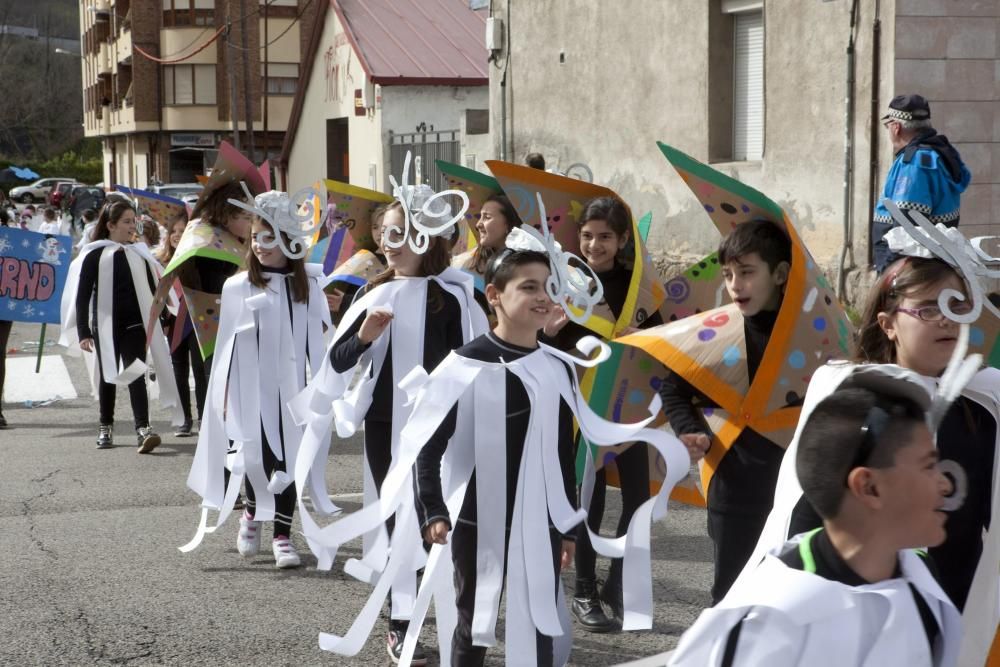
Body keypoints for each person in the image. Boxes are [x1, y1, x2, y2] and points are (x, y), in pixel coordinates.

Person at [747, 220, 1000, 665]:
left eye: (958, 305)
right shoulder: (852, 393)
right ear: (888, 323)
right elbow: (805, 504)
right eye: (927, 308)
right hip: (860, 595)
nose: (946, 318)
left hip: (952, 586)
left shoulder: (985, 401)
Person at [290, 170, 488, 664]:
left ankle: (452, 617)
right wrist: (364, 338)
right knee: (402, 517)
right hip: (386, 425)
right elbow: (335, 365)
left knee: (444, 518)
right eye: (386, 234)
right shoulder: (372, 293)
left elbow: (485, 357)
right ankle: (402, 623)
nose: (390, 244)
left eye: (402, 234)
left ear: (429, 238)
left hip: (448, 426)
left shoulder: (462, 295)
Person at [668, 378, 961, 666]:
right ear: (868, 487)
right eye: (928, 466)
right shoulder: (768, 620)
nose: (945, 485)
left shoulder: (922, 582)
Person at [184, 190, 331, 569]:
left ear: (289, 241)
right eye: (254, 239)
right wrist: (226, 396)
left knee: (292, 459)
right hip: (252, 391)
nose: (261, 247)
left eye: (270, 239)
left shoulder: (308, 286)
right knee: (258, 456)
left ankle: (282, 533)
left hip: (295, 392)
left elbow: (321, 339)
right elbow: (227, 348)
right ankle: (252, 511)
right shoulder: (238, 286)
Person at [543, 196, 664, 631]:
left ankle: (617, 581)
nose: (595, 244)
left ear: (623, 240)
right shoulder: (568, 279)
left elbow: (663, 336)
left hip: (627, 401)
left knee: (637, 496)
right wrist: (552, 331)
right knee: (588, 499)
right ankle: (584, 591)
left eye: (606, 237)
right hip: (580, 403)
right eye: (588, 236)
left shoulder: (639, 286)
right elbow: (545, 342)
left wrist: (643, 336)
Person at [658, 219, 791, 604]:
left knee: (781, 596)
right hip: (731, 488)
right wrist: (687, 430)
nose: (735, 284)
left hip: (791, 487)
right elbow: (674, 388)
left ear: (780, 273)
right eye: (729, 274)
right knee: (730, 596)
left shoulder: (809, 335)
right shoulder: (719, 333)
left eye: (747, 272)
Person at [59, 198, 182, 451]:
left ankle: (143, 428)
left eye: (133, 221)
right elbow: (82, 296)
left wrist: (162, 317)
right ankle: (106, 426)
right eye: (126, 222)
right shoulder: (94, 254)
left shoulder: (139, 253)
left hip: (135, 324)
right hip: (105, 325)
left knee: (136, 373)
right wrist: (83, 331)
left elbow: (153, 289)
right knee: (108, 377)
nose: (131, 226)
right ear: (111, 225)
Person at [871, 94, 971, 273]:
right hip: (933, 259)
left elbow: (906, 222)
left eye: (888, 125)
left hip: (910, 264)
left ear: (896, 127)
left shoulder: (915, 163)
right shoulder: (939, 152)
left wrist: (888, 269)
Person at [156, 217, 205, 437]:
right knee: (179, 371)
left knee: (200, 370)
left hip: (197, 321)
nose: (177, 234)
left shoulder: (199, 258)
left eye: (182, 230)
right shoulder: (160, 261)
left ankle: (204, 417)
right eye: (173, 230)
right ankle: (183, 418)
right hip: (173, 322)